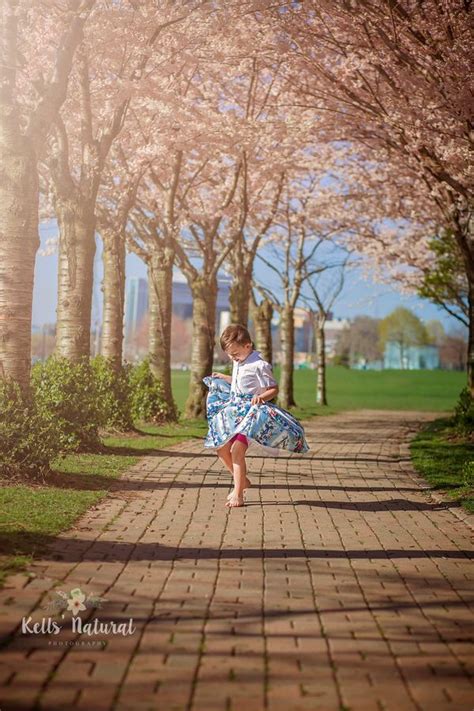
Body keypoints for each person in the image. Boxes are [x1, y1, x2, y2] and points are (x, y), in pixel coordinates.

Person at [203, 323, 309, 508]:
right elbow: (239, 383)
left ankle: (238, 494)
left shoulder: (260, 365)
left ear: (248, 345)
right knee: (220, 448)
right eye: (230, 355)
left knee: (237, 450)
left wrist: (260, 397)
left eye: (235, 354)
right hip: (234, 412)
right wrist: (224, 377)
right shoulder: (239, 362)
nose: (232, 358)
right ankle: (242, 480)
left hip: (251, 415)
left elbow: (273, 389)